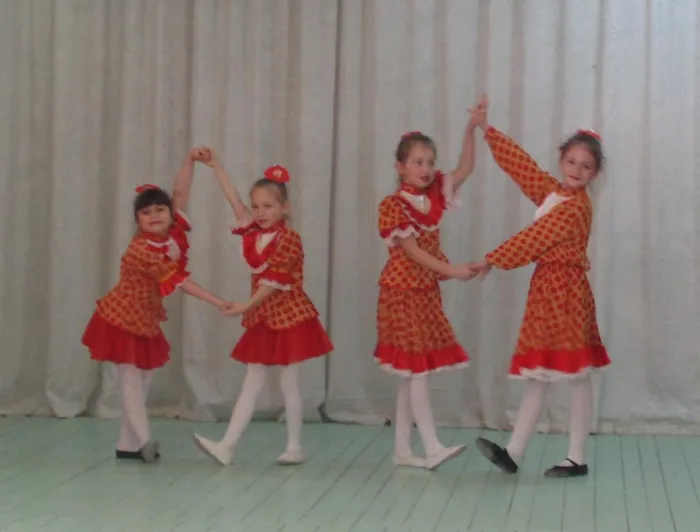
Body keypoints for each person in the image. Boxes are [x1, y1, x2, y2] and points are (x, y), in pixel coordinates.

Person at [469, 98, 610, 477]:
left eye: (586, 166)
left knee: (576, 374)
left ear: (595, 172)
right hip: (547, 291)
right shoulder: (555, 192)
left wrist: (491, 259)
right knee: (539, 373)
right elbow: (523, 168)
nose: (577, 170)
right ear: (562, 161)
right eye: (571, 162)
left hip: (567, 293)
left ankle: (576, 456)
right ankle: (514, 452)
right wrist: (487, 130)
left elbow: (536, 237)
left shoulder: (575, 207)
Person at [82, 148, 229, 463]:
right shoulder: (142, 251)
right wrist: (218, 301)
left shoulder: (172, 234)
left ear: (170, 214)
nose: (155, 216)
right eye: (146, 212)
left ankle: (127, 444)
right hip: (121, 318)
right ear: (137, 220)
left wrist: (189, 160)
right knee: (131, 381)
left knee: (143, 380)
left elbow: (180, 192)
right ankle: (146, 439)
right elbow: (181, 282)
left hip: (145, 317)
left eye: (160, 209)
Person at [193, 156, 333, 466]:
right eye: (256, 206)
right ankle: (227, 445)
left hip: (288, 315)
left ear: (285, 208)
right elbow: (234, 201)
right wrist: (217, 166)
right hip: (264, 315)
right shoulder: (253, 233)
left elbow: (272, 282)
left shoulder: (289, 239)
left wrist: (245, 305)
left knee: (288, 381)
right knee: (253, 380)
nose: (260, 212)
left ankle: (294, 446)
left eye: (268, 206)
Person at [375, 100, 484, 469]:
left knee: (410, 375)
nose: (426, 169)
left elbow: (466, 167)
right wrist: (452, 270)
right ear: (400, 167)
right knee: (417, 370)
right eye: (418, 162)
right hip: (402, 293)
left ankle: (403, 451)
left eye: (430, 162)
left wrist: (470, 129)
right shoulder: (392, 206)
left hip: (424, 292)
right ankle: (432, 446)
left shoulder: (436, 192)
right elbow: (412, 251)